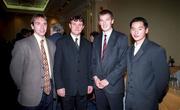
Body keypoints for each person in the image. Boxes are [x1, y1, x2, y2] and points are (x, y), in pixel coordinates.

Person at [10, 14, 56, 110]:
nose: (42, 27)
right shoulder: (22, 44)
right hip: (30, 95)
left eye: (44, 24)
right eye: (38, 23)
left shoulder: (52, 45)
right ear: (32, 26)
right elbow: (15, 70)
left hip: (50, 93)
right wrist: (24, 87)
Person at [125, 17, 169, 110]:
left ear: (146, 30)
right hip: (129, 102)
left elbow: (163, 80)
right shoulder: (129, 50)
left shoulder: (156, 50)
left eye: (140, 29)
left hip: (146, 103)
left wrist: (154, 98)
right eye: (133, 29)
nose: (136, 32)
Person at [54, 15, 93, 110]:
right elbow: (57, 66)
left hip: (83, 87)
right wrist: (59, 86)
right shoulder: (61, 42)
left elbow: (90, 66)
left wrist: (90, 83)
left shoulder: (88, 44)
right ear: (70, 25)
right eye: (74, 24)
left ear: (83, 27)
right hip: (66, 87)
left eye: (80, 24)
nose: (77, 27)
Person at [91, 9, 128, 110]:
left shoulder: (121, 38)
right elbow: (93, 61)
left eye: (107, 20)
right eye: (101, 20)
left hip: (114, 86)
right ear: (99, 22)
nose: (104, 23)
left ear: (112, 21)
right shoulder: (97, 39)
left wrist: (107, 80)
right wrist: (95, 78)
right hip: (98, 86)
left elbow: (123, 63)